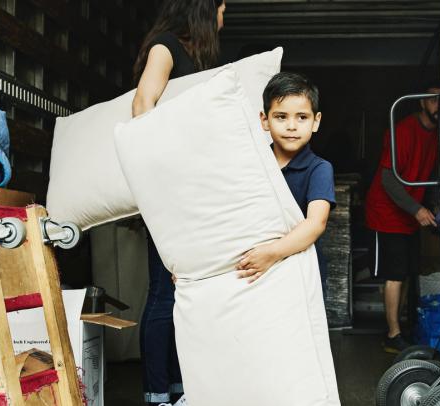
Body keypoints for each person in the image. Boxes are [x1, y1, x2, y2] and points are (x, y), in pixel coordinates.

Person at [131, 1, 225, 404]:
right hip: (167, 192)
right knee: (162, 294)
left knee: (183, 293)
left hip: (188, 193)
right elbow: (142, 106)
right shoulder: (165, 47)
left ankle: (176, 388)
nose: (225, 18)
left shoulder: (192, 57)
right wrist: (159, 179)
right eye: (223, 9)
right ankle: (157, 393)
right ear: (205, 11)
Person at [364, 79, 440, 353]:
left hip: (409, 213)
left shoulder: (439, 134)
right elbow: (389, 180)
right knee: (395, 273)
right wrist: (417, 209)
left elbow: (433, 174)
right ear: (422, 102)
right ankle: (392, 334)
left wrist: (434, 205)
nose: (439, 105)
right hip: (387, 211)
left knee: (408, 272)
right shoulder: (403, 130)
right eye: (434, 99)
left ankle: (402, 327)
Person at [236, 72, 335, 283]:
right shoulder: (253, 165)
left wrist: (271, 253)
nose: (292, 126)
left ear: (316, 121)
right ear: (264, 120)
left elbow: (316, 223)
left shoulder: (319, 168)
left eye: (302, 117)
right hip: (257, 270)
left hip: (301, 272)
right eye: (281, 117)